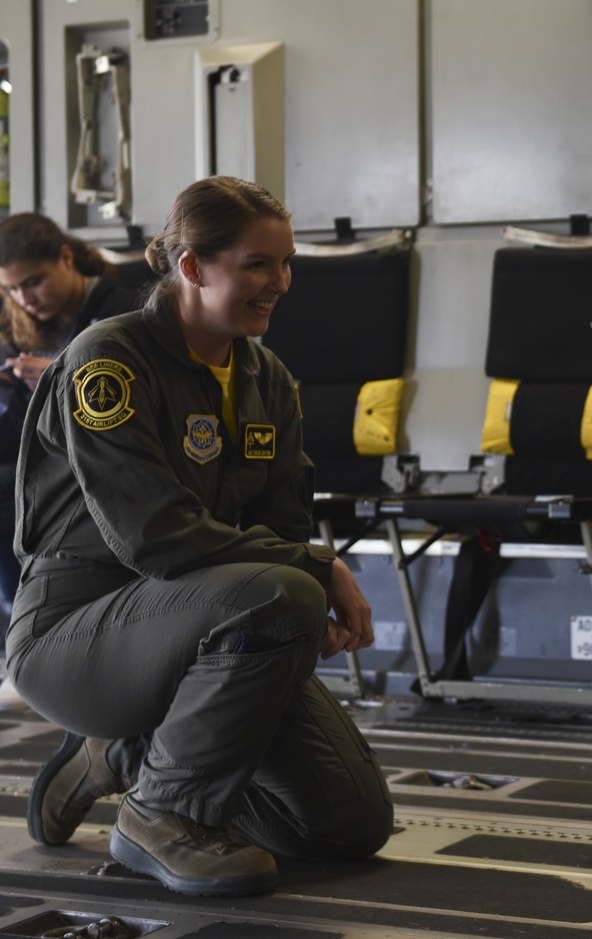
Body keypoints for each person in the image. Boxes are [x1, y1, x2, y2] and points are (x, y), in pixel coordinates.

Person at [5, 176, 393, 897]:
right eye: (256, 264)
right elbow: (158, 537)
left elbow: (281, 526)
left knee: (349, 823)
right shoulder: (108, 362)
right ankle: (164, 811)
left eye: (285, 263)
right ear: (191, 267)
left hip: (203, 625)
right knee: (280, 592)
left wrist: (306, 573)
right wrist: (315, 569)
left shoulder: (266, 378)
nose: (279, 282)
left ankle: (131, 750)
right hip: (74, 634)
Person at [0, 213, 138, 708]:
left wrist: (60, 383)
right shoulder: (27, 327)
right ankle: (21, 636)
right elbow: (18, 431)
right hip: (54, 465)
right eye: (12, 289)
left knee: (5, 494)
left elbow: (133, 409)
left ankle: (31, 638)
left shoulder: (122, 311)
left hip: (109, 465)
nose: (24, 299)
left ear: (66, 258)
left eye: (32, 282)